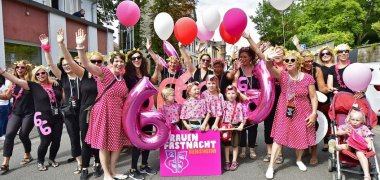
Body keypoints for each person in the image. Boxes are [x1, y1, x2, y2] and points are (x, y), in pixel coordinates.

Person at [76, 28, 130, 180]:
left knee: (118, 143)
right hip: (103, 110)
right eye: (116, 60)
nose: (119, 63)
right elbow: (86, 64)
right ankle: (106, 174)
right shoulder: (104, 72)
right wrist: (81, 47)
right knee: (104, 144)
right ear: (112, 62)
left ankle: (113, 171)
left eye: (121, 61)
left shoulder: (122, 79)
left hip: (118, 113)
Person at [57, 29, 103, 179]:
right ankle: (84, 167)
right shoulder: (84, 74)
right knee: (85, 139)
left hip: (101, 111)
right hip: (86, 112)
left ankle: (98, 163)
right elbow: (70, 61)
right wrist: (63, 44)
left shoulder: (105, 75)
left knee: (98, 138)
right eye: (93, 61)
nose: (96, 63)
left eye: (99, 61)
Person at [264, 50, 318, 179]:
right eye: (286, 60)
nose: (288, 62)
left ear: (298, 62)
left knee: (300, 135)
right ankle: (271, 166)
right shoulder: (282, 75)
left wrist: (313, 113)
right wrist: (268, 58)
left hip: (303, 110)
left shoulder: (308, 78)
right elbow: (269, 67)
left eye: (292, 60)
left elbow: (313, 97)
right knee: (279, 137)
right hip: (285, 109)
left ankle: (299, 160)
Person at [0, 65, 64, 171]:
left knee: (56, 140)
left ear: (47, 73)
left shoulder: (55, 84)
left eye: (43, 73)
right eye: (38, 74)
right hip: (42, 118)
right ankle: (40, 161)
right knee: (45, 141)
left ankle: (52, 159)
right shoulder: (33, 86)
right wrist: (2, 72)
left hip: (57, 117)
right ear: (35, 76)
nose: (40, 75)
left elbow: (63, 94)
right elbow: (16, 80)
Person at [39, 30, 82, 173]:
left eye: (68, 63)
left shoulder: (81, 74)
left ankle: (92, 158)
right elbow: (50, 63)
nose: (67, 66)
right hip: (69, 112)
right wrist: (46, 48)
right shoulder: (62, 77)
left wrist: (62, 44)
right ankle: (80, 162)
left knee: (87, 136)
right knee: (74, 137)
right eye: (64, 65)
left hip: (83, 110)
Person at [124, 48, 160, 180]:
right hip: (134, 112)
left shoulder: (145, 74)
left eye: (139, 57)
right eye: (134, 58)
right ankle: (133, 169)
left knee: (148, 137)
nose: (137, 60)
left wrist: (156, 68)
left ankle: (144, 165)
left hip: (146, 110)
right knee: (136, 140)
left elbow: (154, 82)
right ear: (130, 61)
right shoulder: (127, 76)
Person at [0, 61, 35, 173]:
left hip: (29, 113)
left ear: (27, 69)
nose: (19, 69)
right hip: (16, 113)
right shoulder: (13, 84)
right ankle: (5, 163)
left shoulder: (31, 82)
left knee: (23, 134)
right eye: (17, 67)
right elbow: (6, 96)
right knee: (9, 135)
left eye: (22, 67)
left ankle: (28, 154)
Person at [328, 107, 374, 180]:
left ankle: (367, 175)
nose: (355, 122)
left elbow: (368, 137)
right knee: (343, 146)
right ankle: (334, 147)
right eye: (353, 120)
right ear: (349, 119)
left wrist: (369, 143)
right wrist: (344, 132)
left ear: (362, 121)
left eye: (357, 120)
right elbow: (336, 132)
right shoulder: (347, 126)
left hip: (359, 147)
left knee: (361, 155)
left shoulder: (363, 128)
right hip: (349, 145)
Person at [221, 85, 246, 171]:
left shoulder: (239, 105)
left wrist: (241, 125)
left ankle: (234, 161)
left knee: (235, 145)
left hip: (235, 127)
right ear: (225, 94)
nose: (231, 95)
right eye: (228, 93)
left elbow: (244, 116)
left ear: (236, 94)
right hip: (226, 127)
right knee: (226, 145)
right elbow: (219, 115)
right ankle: (227, 161)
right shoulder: (224, 104)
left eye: (233, 93)